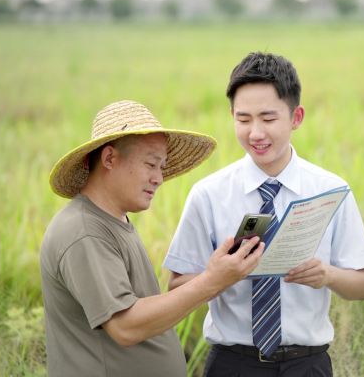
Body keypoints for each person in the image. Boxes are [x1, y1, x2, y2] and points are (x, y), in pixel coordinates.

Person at [164, 52, 364, 376]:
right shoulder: (209, 194)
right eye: (243, 119)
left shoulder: (331, 190)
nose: (255, 133)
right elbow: (176, 286)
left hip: (308, 364)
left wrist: (327, 275)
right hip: (232, 364)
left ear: (296, 117)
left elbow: (362, 286)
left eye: (268, 118)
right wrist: (218, 277)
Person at [40, 100, 264, 377]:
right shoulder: (84, 232)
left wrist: (221, 275)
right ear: (109, 159)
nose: (159, 178)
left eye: (162, 167)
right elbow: (125, 326)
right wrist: (211, 281)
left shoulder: (113, 220)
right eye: (151, 164)